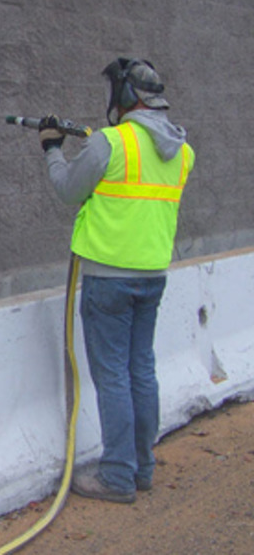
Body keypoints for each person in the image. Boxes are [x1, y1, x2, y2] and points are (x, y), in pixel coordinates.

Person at [38, 58, 195, 504]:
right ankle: (142, 468)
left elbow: (70, 189)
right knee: (140, 370)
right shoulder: (182, 150)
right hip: (152, 276)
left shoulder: (112, 142)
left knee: (112, 377)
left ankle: (118, 476)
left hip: (109, 278)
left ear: (125, 97)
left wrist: (51, 148)